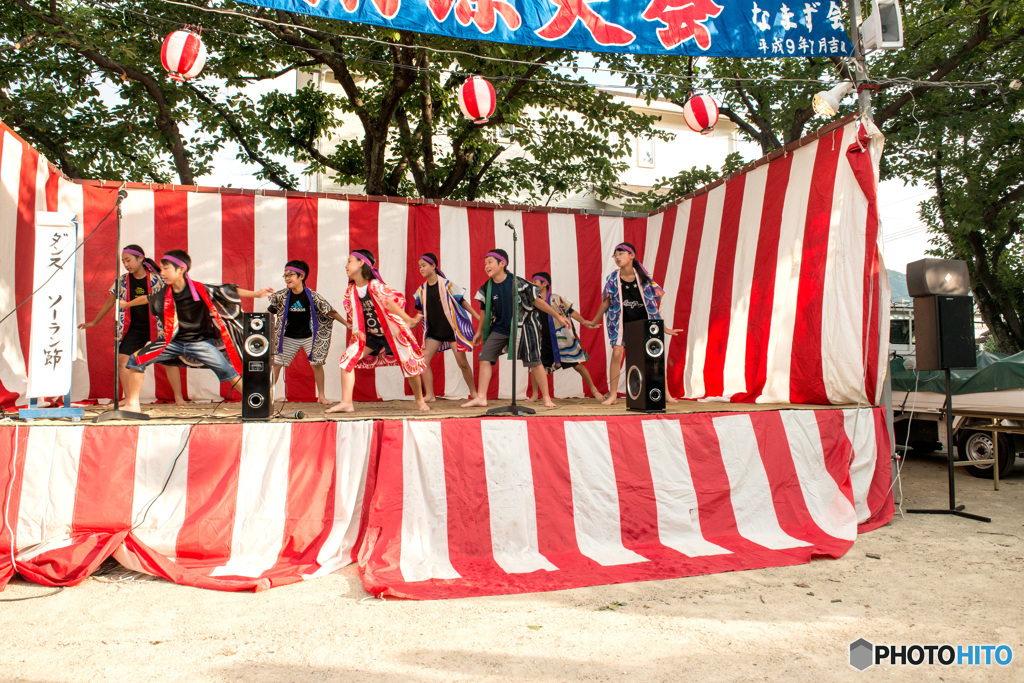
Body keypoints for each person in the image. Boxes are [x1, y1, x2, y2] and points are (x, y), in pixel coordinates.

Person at [121, 249, 273, 412]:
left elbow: (228, 290)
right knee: (136, 360)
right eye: (161, 269)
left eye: (166, 269)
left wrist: (256, 294)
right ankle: (133, 404)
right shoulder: (165, 293)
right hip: (173, 342)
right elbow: (146, 298)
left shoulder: (200, 289)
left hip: (200, 343)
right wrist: (127, 304)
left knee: (229, 372)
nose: (162, 273)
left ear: (181, 270)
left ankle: (260, 404)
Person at [460, 249, 570, 409]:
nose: (486, 266)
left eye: (490, 262)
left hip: (523, 328)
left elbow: (538, 301)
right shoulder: (487, 287)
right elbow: (484, 311)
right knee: (484, 358)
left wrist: (557, 316)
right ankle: (481, 397)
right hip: (500, 329)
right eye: (485, 263)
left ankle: (546, 397)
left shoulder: (518, 282)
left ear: (502, 264)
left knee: (535, 362)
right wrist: (479, 332)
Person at [78, 244, 185, 405]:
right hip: (135, 327)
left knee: (169, 360)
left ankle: (179, 397)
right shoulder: (122, 281)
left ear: (140, 259)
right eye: (123, 262)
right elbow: (110, 301)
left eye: (128, 260)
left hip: (158, 326)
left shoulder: (158, 279)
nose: (126, 264)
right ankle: (130, 398)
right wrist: (94, 321)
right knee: (123, 359)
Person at [326, 249, 430, 414]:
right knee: (347, 360)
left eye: (349, 261)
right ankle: (346, 402)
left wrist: (408, 319)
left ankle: (420, 400)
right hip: (371, 336)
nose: (346, 265)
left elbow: (389, 303)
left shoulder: (375, 285)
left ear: (361, 263)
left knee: (409, 364)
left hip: (392, 334)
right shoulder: (351, 290)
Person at [590, 242, 678, 406]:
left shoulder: (643, 278)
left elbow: (656, 297)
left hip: (643, 323)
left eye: (621, 253)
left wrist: (663, 327)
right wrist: (593, 321)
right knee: (617, 352)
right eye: (615, 254)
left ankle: (665, 392)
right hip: (620, 322)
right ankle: (613, 395)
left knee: (654, 357)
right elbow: (606, 302)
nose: (617, 256)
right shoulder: (612, 278)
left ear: (632, 256)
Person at [267, 259, 349, 405]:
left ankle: (321, 396)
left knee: (317, 364)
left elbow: (330, 311)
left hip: (310, 336)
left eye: (291, 275)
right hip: (288, 337)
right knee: (277, 364)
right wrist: (258, 324)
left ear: (301, 277)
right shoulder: (281, 296)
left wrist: (347, 324)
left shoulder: (312, 296)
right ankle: (268, 395)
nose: (287, 278)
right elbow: (269, 312)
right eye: (285, 275)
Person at [526, 271, 605, 401]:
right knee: (536, 365)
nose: (532, 284)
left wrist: (585, 322)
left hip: (561, 339)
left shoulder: (557, 299)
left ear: (544, 283)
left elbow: (571, 312)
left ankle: (594, 390)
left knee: (578, 365)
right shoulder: (533, 301)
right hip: (542, 339)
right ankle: (535, 394)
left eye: (535, 282)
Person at [413, 253, 480, 402]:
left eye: (424, 265)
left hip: (452, 331)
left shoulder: (446, 284)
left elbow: (462, 301)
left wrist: (477, 316)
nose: (421, 269)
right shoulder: (421, 290)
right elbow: (420, 312)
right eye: (419, 267)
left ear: (433, 266)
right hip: (434, 332)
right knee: (423, 361)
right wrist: (412, 323)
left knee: (462, 363)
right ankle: (430, 395)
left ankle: (474, 393)